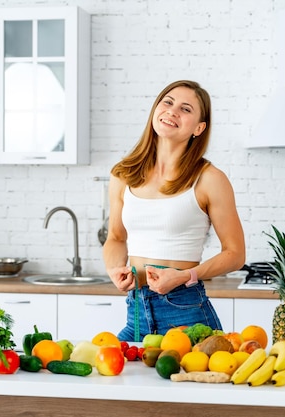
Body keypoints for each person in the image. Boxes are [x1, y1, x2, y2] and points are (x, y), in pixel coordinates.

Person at [103, 80, 246, 342]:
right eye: (167, 102)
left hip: (185, 311)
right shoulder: (123, 175)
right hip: (136, 310)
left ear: (199, 128)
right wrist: (114, 269)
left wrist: (185, 276)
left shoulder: (209, 179)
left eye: (186, 109)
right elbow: (115, 237)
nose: (172, 111)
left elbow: (235, 254)